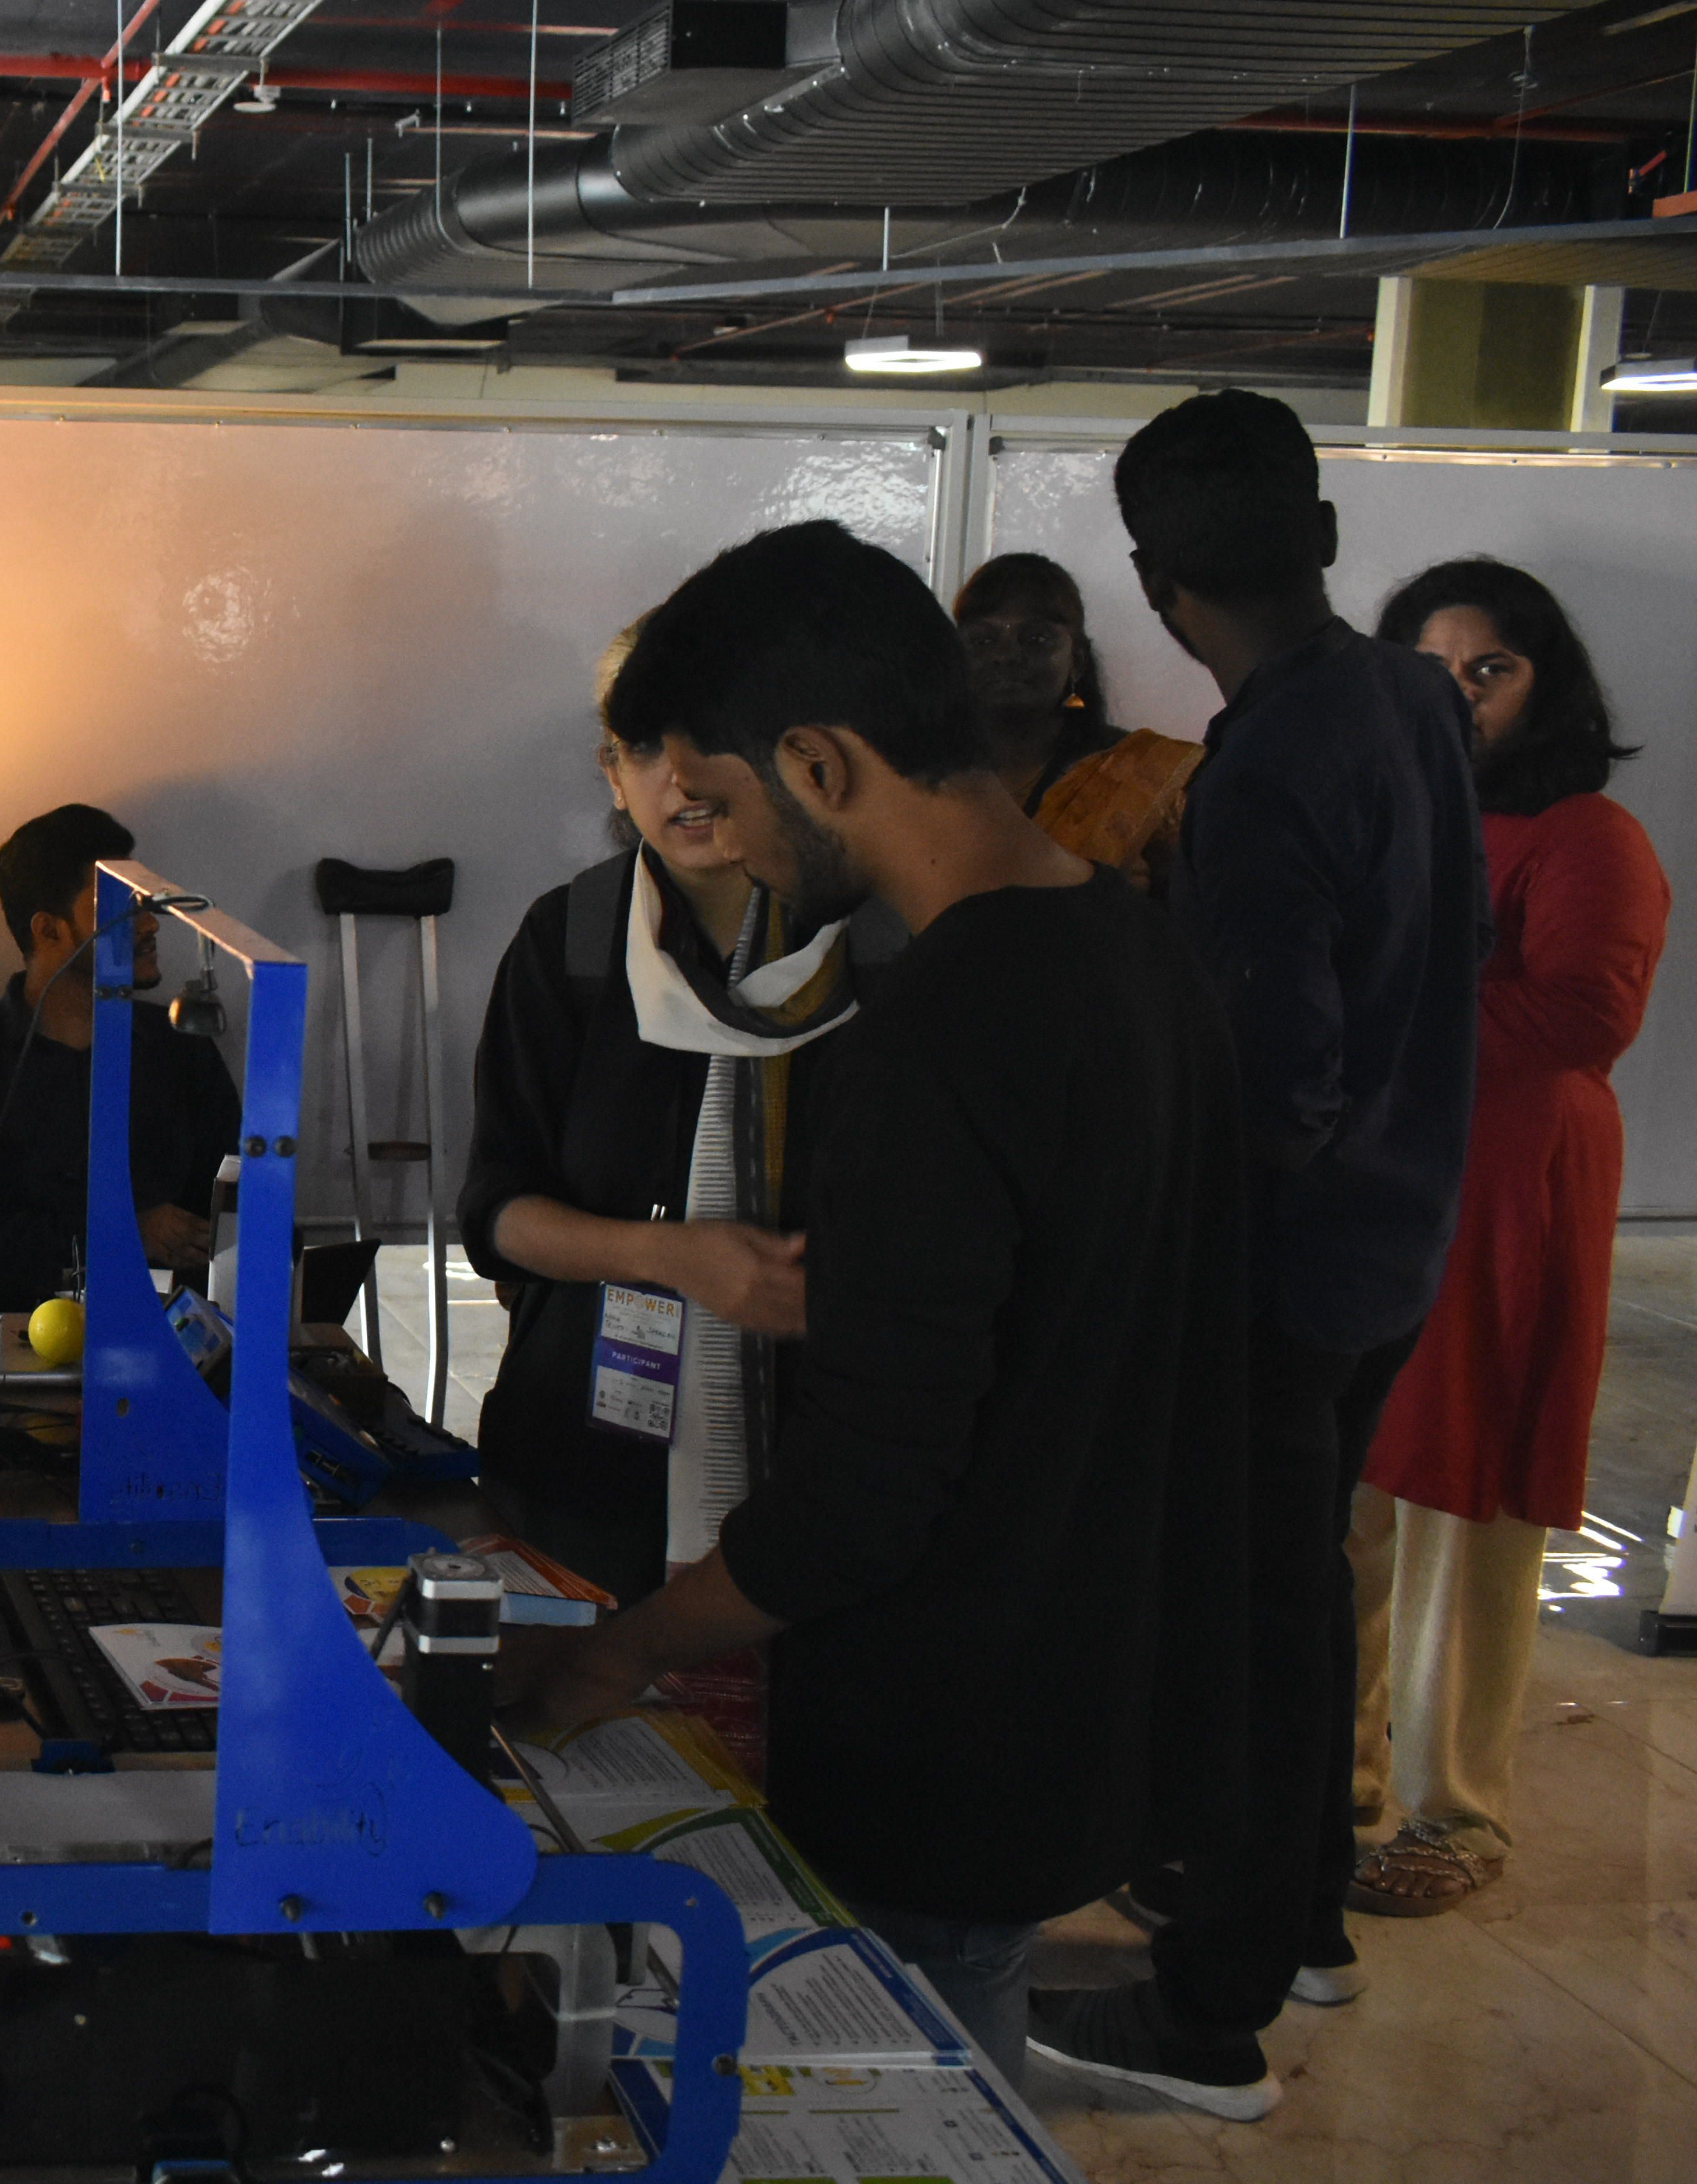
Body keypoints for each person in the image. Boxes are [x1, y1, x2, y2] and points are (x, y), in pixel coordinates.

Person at [514, 519, 1253, 2090]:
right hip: (1078, 1699)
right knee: (961, 2063)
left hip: (935, 1737)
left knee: (899, 2090)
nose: (732, 849)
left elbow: (864, 1497)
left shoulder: (940, 1029)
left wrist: (625, 1650)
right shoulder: (1141, 956)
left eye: (728, 804)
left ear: (821, 765)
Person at [1029, 389, 1486, 2119]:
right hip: (1397, 1234)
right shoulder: (1406, 698)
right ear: (1325, 537)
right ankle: (1303, 1921)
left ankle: (1208, 2014)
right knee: (1298, 1596)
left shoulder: (1269, 761)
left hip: (1282, 1265)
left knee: (1245, 1628)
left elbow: (1269, 1082)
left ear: (1155, 585)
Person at [1347, 560, 1666, 1918]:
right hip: (1375, 1182)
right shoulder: (1388, 815)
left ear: (1548, 685)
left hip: (1511, 1186)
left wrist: (1375, 1011)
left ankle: (1456, 1807)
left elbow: (1583, 1015)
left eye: (1492, 669)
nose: (1460, 695)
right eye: (1433, 670)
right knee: (1353, 1488)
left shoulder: (1588, 834)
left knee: (1466, 1492)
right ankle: (1338, 1780)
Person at [458, 624, 869, 1615]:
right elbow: (497, 1214)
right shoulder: (572, 942)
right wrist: (671, 1256)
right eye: (643, 748)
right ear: (611, 774)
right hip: (590, 1464)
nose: (680, 779)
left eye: (710, 737)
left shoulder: (874, 947)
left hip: (829, 1455)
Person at [0, 803, 239, 1312]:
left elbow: (234, 1200)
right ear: (49, 931)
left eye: (145, 903)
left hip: (170, 1330)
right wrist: (119, 1233)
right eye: (120, 907)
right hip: (9, 1335)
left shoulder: (182, 1050)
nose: (149, 925)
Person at [954, 551, 1201, 888]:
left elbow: (1199, 906)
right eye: (983, 640)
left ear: (1078, 660)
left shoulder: (1139, 775)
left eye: (1036, 639)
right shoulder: (925, 772)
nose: (1006, 655)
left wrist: (1118, 898)